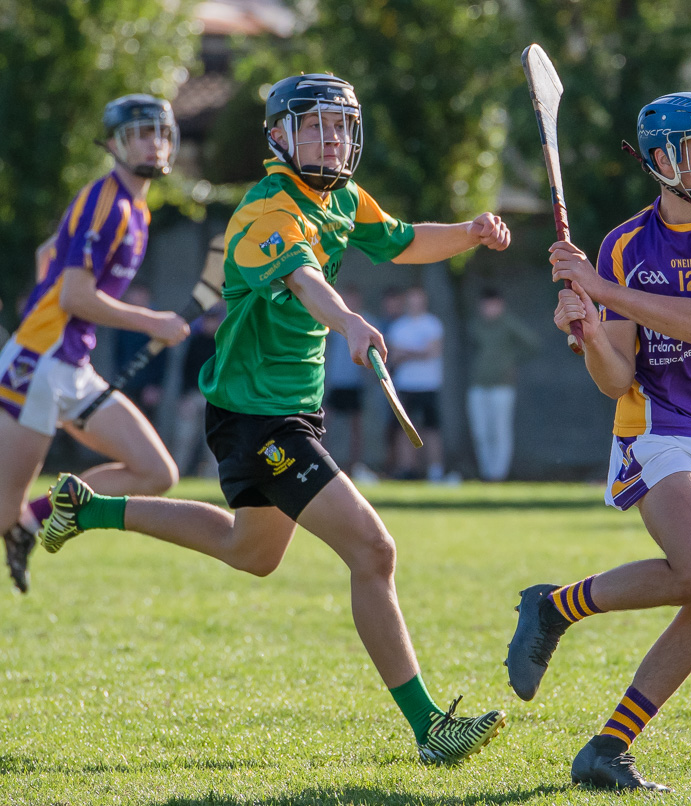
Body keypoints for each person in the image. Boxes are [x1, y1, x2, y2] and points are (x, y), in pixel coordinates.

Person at [37, 73, 510, 762]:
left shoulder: (342, 197)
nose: (334, 138)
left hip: (289, 411)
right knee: (373, 551)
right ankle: (430, 727)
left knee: (248, 551)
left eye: (343, 125)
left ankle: (88, 508)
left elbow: (400, 240)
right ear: (279, 136)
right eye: (317, 125)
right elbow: (303, 278)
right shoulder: (268, 211)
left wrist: (467, 232)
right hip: (258, 417)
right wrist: (349, 320)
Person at [506, 92, 691, 791]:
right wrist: (591, 331)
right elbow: (614, 378)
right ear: (662, 160)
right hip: (655, 427)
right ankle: (553, 607)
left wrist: (599, 291)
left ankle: (607, 746)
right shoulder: (625, 245)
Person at [1, 95, 189, 594]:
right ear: (113, 143)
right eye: (140, 133)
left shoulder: (138, 211)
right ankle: (16, 522)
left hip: (73, 366)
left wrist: (48, 298)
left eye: (160, 133)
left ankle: (35, 520)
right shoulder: (103, 199)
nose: (153, 143)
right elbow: (76, 294)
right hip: (37, 364)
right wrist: (152, 322)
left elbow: (49, 253)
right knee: (1, 511)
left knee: (155, 471)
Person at [466, 288, 539, 481]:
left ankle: (498, 475)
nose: (488, 309)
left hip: (502, 386)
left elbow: (532, 344)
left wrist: (511, 361)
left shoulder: (508, 324)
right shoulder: (476, 325)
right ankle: (486, 474)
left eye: (492, 305)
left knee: (500, 431)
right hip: (478, 384)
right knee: (481, 432)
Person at [384, 286, 445, 482]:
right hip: (406, 385)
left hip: (428, 385)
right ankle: (407, 469)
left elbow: (432, 352)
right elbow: (393, 356)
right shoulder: (398, 327)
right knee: (405, 430)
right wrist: (418, 351)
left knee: (431, 429)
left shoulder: (433, 324)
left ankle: (435, 471)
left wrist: (407, 353)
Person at [323, 284, 375, 481]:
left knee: (356, 427)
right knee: (325, 423)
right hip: (337, 382)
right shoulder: (334, 322)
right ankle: (324, 462)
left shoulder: (367, 321)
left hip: (356, 383)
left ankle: (355, 466)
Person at [171, 304, 223, 477]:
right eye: (208, 319)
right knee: (184, 438)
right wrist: (184, 396)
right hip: (193, 396)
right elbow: (185, 371)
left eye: (213, 320)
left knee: (214, 442)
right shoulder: (196, 341)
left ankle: (212, 478)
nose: (210, 323)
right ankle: (177, 474)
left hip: (214, 398)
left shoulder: (223, 342)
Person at [111, 284, 170, 419]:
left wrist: (155, 385)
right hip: (127, 383)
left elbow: (162, 360)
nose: (134, 298)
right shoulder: (123, 323)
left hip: (147, 387)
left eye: (138, 294)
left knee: (147, 422)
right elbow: (118, 354)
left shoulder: (157, 323)